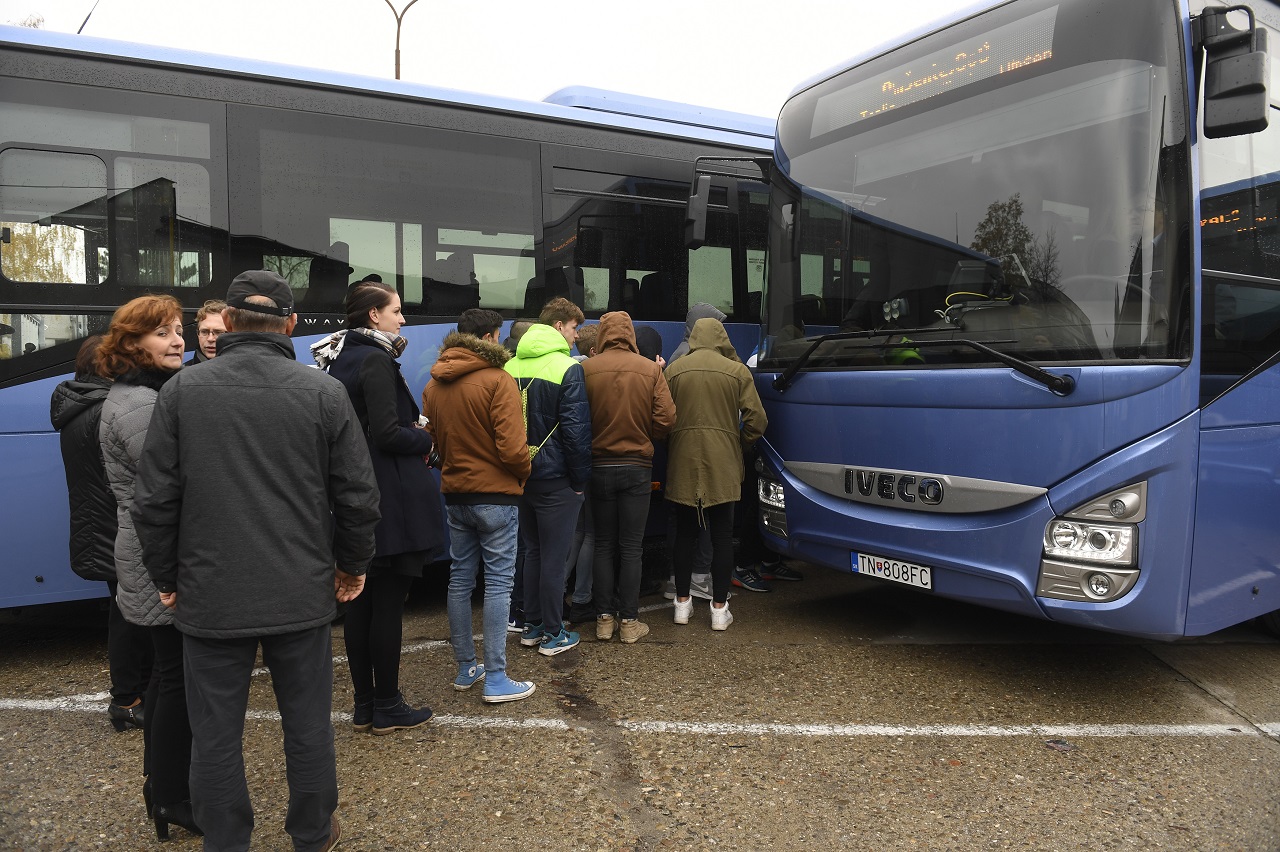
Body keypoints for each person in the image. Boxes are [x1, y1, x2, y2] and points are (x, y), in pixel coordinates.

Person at [132, 270, 379, 851]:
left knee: (215, 735)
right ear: (290, 324)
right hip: (300, 589)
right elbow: (358, 496)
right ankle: (313, 834)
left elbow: (154, 501)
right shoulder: (322, 392)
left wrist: (166, 577)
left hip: (212, 593)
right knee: (308, 727)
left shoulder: (183, 393)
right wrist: (351, 565)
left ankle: (226, 841)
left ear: (230, 323)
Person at [312, 280, 446, 735]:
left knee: (362, 606)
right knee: (386, 606)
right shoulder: (374, 359)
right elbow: (389, 433)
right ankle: (387, 703)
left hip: (359, 495)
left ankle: (367, 704)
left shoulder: (341, 357)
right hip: (393, 499)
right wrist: (424, 436)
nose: (402, 319)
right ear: (374, 315)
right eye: (396, 311)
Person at [96, 295, 200, 840]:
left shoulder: (148, 393)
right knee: (176, 679)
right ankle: (172, 797)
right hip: (155, 553)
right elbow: (178, 479)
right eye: (162, 333)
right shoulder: (139, 403)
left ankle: (162, 788)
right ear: (132, 343)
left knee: (168, 675)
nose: (177, 340)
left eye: (178, 330)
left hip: (152, 548)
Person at [422, 307, 537, 702]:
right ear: (490, 338)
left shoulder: (435, 383)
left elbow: (432, 444)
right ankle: (497, 678)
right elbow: (512, 446)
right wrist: (522, 473)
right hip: (496, 495)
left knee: (459, 579)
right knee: (500, 583)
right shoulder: (497, 380)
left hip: (455, 493)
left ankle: (466, 667)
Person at [49, 336, 153, 733]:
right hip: (117, 529)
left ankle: (132, 694)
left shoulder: (78, 406)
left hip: (100, 530)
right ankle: (126, 699)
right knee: (129, 619)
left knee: (125, 613)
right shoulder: (106, 410)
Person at [663, 317, 767, 630]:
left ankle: (682, 604)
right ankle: (719, 610)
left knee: (684, 535)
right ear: (721, 337)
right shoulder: (736, 371)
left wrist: (674, 442)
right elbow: (757, 421)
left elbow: (663, 416)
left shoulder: (675, 369)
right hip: (723, 462)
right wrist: (738, 443)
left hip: (684, 459)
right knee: (722, 537)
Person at [504, 297, 592, 655]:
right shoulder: (567, 367)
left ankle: (532, 625)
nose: (575, 336)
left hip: (520, 475)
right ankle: (554, 635)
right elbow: (576, 432)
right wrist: (579, 480)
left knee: (533, 551)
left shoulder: (509, 366)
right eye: (573, 328)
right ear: (559, 326)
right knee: (555, 558)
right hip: (557, 479)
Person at [582, 312, 675, 643]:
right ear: (630, 335)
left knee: (604, 543)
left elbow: (575, 418)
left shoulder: (586, 368)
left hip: (598, 466)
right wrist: (644, 437)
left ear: (603, 335)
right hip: (637, 466)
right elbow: (667, 418)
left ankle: (603, 621)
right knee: (632, 547)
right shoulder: (651, 369)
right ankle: (630, 623)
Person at [187, 299, 227, 365]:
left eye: (218, 332)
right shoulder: (182, 373)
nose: (210, 339)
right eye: (204, 332)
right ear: (198, 334)